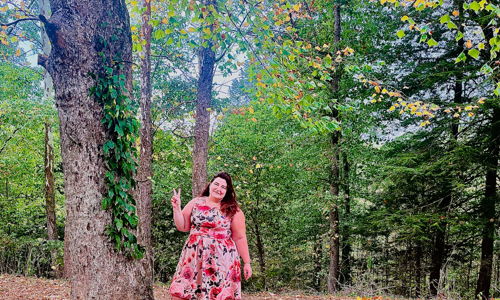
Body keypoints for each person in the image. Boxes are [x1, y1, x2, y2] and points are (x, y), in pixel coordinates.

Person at [168, 172, 252, 300]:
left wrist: (247, 263)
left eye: (223, 187)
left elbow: (240, 238)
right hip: (194, 256)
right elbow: (182, 226)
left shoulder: (233, 209)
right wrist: (177, 208)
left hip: (222, 259)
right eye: (216, 184)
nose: (219, 189)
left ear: (227, 191)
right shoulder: (196, 202)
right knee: (186, 292)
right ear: (210, 185)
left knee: (217, 294)